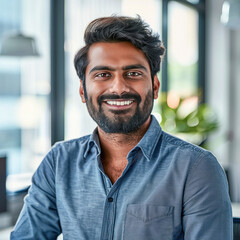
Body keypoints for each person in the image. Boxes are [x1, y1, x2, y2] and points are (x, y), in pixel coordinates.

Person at [11, 16, 232, 240]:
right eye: (103, 75)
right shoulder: (59, 162)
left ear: (154, 87)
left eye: (134, 74)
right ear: (82, 91)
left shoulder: (196, 168)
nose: (119, 88)